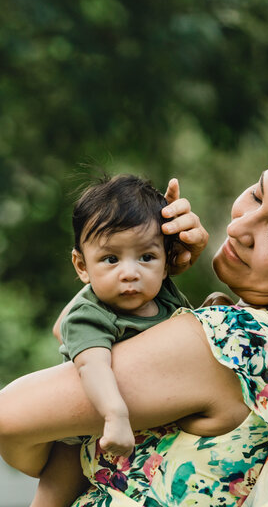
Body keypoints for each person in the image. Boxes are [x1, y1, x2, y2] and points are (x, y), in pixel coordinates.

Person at [0, 138, 268, 507]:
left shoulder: (236, 345)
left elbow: (11, 416)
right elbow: (72, 332)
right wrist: (146, 274)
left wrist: (128, 266)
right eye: (257, 194)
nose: (240, 226)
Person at [58, 173, 192, 459]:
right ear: (82, 266)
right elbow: (92, 366)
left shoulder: (164, 296)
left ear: (167, 263)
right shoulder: (89, 314)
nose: (130, 273)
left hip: (153, 427)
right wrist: (114, 415)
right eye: (111, 259)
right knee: (56, 489)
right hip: (91, 428)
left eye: (146, 257)